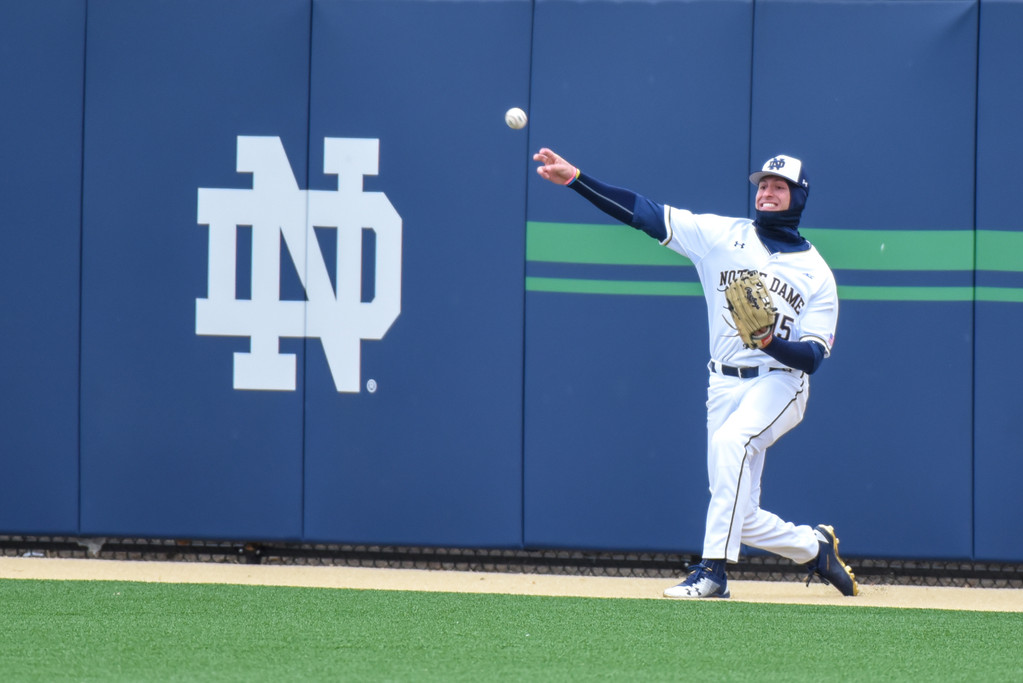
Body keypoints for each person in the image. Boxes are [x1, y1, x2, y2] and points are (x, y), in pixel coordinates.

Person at [533, 148, 858, 598]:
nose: (767, 191)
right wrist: (576, 179)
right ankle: (813, 548)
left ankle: (713, 573)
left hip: (780, 381)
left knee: (732, 445)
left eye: (779, 186)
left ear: (799, 196)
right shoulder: (720, 236)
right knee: (735, 511)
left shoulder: (817, 273)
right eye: (762, 184)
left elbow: (814, 357)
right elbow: (644, 214)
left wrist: (770, 344)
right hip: (721, 382)